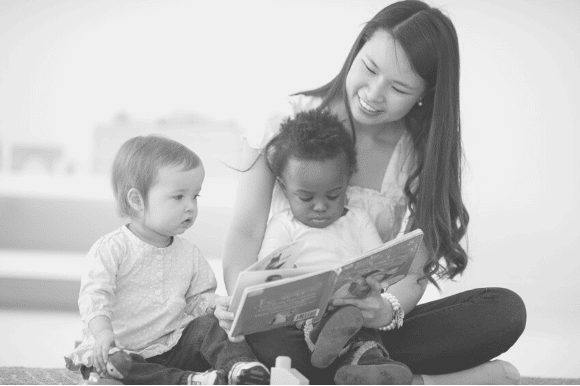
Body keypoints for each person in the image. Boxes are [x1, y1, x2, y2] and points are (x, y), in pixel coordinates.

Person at [215, 0, 526, 384]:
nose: (375, 94)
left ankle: (361, 369)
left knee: (503, 311)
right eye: (369, 68)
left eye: (398, 87)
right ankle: (407, 380)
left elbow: (415, 271)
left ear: (424, 94)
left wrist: (384, 310)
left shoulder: (420, 153)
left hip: (364, 325)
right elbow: (245, 231)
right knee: (269, 342)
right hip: (285, 326)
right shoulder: (285, 120)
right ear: (357, 49)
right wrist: (242, 302)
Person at [65, 135, 270, 385]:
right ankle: (191, 381)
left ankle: (239, 367)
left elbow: (197, 301)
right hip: (125, 352)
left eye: (195, 196)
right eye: (178, 197)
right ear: (136, 200)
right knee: (112, 365)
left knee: (211, 327)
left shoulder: (190, 254)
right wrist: (103, 334)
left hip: (173, 346)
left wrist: (216, 306)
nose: (191, 207)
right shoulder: (112, 249)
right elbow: (94, 297)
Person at [256, 108, 413, 384]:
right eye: (305, 197)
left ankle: (368, 367)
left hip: (353, 309)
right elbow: (270, 272)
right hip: (303, 318)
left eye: (333, 195)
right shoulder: (284, 225)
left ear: (347, 181)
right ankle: (323, 341)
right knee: (283, 331)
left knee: (358, 324)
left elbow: (379, 263)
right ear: (283, 187)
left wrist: (371, 287)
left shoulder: (357, 220)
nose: (320, 206)